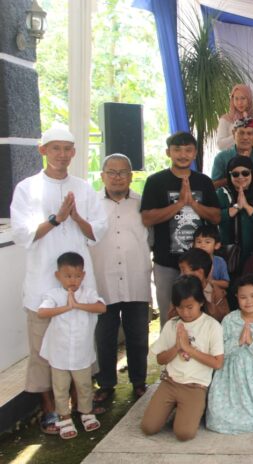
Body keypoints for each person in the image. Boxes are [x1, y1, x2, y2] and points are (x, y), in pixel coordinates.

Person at [10, 124, 107, 435]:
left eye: (67, 149)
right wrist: (56, 219)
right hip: (42, 284)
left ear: (74, 152)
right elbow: (23, 234)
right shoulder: (27, 188)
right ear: (43, 150)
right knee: (43, 351)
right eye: (55, 148)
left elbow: (97, 232)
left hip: (80, 283)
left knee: (80, 342)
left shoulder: (84, 188)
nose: (62, 155)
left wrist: (76, 217)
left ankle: (81, 405)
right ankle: (50, 409)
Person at [141, 132, 220, 329]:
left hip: (199, 264)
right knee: (169, 317)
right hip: (166, 263)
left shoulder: (204, 181)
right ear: (168, 152)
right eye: (177, 150)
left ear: (194, 153)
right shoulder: (155, 181)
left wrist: (193, 203)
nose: (183, 155)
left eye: (188, 150)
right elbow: (147, 218)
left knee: (201, 317)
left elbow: (216, 217)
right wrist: (179, 204)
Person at [90, 153, 151, 406]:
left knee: (138, 335)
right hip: (103, 280)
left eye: (123, 172)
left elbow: (151, 236)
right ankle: (106, 383)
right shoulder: (90, 204)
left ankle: (139, 381)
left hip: (136, 277)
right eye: (112, 172)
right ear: (102, 176)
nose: (117, 177)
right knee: (105, 336)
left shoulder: (142, 203)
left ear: (131, 176)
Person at [141, 275, 224, 441]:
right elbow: (160, 359)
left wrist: (188, 349)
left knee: (184, 434)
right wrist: (177, 347)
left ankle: (183, 410)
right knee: (148, 427)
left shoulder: (212, 326)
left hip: (195, 387)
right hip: (170, 383)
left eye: (190, 307)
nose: (185, 312)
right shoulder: (172, 324)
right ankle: (176, 408)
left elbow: (217, 363)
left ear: (201, 302)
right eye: (180, 307)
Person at [38, 252, 106, 439]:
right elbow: (42, 312)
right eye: (67, 276)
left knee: (84, 385)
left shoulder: (88, 293)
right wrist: (67, 307)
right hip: (59, 354)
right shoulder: (53, 295)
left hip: (81, 353)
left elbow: (102, 307)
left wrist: (77, 305)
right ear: (58, 275)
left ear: (83, 275)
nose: (72, 280)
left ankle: (86, 413)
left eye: (77, 276)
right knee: (60, 388)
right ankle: (64, 417)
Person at [206, 273, 253, 434]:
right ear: (236, 298)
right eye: (243, 297)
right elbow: (218, 352)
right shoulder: (229, 320)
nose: (249, 301)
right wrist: (237, 342)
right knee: (217, 417)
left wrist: (252, 342)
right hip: (229, 378)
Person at [216, 156, 253, 276]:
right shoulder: (222, 194)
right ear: (229, 175)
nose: (241, 177)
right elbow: (212, 219)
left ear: (252, 173)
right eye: (235, 174)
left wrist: (248, 207)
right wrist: (236, 208)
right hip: (229, 256)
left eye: (245, 173)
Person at [212, 118, 253, 189]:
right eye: (241, 133)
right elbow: (214, 185)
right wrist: (235, 173)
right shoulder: (222, 158)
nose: (245, 137)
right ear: (234, 133)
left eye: (249, 133)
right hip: (229, 196)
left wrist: (250, 170)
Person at [178, 248, 230, 323]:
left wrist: (209, 301)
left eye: (183, 270)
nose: (181, 275)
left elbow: (224, 320)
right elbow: (172, 317)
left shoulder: (218, 294)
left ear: (199, 273)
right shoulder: (180, 290)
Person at [217, 84, 253, 151]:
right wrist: (238, 133)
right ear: (232, 100)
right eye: (236, 99)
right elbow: (220, 145)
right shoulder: (226, 119)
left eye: (243, 98)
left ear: (249, 99)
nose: (240, 102)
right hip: (231, 157)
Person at [193, 225, 229, 292]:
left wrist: (210, 281)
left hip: (214, 293)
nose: (202, 245)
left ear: (217, 245)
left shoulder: (220, 261)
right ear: (193, 244)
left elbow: (226, 284)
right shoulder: (190, 260)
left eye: (207, 242)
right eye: (199, 242)